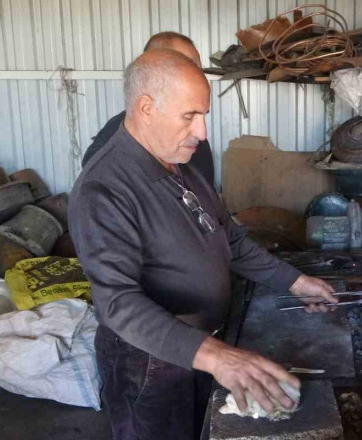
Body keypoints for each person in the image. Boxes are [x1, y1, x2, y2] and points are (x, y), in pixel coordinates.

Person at [69, 49, 338, 440]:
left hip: (198, 349)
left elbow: (227, 237)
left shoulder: (178, 165)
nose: (203, 132)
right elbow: (117, 303)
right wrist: (220, 358)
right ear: (146, 107)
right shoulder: (104, 189)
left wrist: (294, 282)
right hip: (148, 364)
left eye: (203, 115)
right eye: (189, 116)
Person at [82, 32, 215, 187]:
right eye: (181, 64)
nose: (201, 134)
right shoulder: (107, 162)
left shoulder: (195, 138)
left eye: (197, 69)